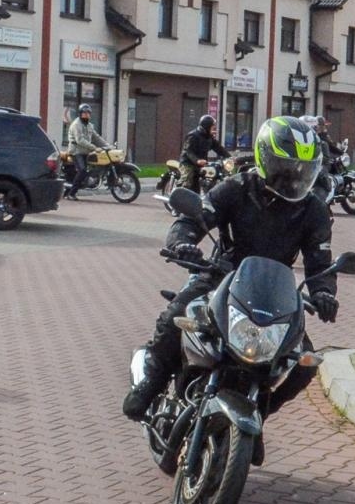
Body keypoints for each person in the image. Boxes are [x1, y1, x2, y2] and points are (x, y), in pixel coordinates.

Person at [123, 115, 336, 432]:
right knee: (175, 316)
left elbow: (320, 258)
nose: (294, 177)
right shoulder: (236, 188)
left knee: (303, 363)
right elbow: (195, 219)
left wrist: (323, 292)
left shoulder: (313, 209)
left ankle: (259, 413)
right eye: (287, 167)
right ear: (265, 159)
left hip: (273, 293)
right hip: (221, 276)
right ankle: (150, 384)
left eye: (302, 171)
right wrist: (183, 243)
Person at [64, 104, 109, 200]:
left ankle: (87, 181)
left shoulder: (89, 125)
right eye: (84, 113)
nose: (87, 115)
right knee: (82, 170)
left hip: (85, 152)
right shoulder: (76, 125)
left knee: (93, 166)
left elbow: (96, 138)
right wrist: (94, 148)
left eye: (88, 113)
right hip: (76, 151)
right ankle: (71, 194)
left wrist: (108, 146)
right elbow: (80, 140)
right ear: (80, 114)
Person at [179, 114, 230, 190]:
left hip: (202, 163)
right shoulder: (192, 136)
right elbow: (189, 151)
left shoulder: (209, 137)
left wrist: (229, 157)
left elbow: (219, 148)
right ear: (206, 127)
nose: (214, 131)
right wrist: (197, 160)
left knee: (212, 176)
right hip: (188, 163)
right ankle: (179, 197)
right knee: (187, 182)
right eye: (212, 128)